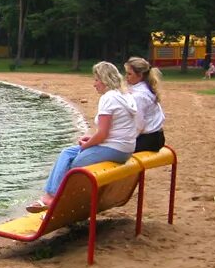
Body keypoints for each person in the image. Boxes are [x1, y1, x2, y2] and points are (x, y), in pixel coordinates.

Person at [27, 61, 137, 212]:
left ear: (105, 80)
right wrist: (91, 139)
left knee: (74, 168)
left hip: (114, 149)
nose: (94, 84)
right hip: (125, 148)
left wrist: (87, 145)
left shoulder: (109, 98)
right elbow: (114, 130)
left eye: (96, 80)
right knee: (67, 153)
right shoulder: (124, 96)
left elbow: (103, 134)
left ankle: (57, 200)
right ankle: (50, 196)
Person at [124, 56, 166, 152]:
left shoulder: (139, 95)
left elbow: (139, 125)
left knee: (115, 149)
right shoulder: (146, 88)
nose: (126, 77)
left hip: (149, 139)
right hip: (157, 136)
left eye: (129, 74)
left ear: (140, 75)